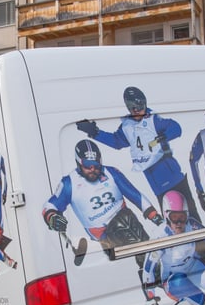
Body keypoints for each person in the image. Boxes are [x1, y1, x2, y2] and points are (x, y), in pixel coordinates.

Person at [75, 86, 198, 217]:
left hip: (172, 176)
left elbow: (176, 128)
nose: (135, 110)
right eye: (130, 107)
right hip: (156, 184)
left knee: (189, 214)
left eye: (138, 106)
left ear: (144, 103)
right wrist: (95, 132)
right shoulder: (127, 127)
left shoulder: (153, 120)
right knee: (171, 218)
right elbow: (117, 141)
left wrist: (164, 136)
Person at [42, 140, 162, 252]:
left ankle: (148, 258)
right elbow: (50, 206)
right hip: (102, 233)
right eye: (88, 165)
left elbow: (133, 194)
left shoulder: (111, 172)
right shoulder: (69, 183)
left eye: (96, 165)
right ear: (78, 163)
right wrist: (52, 217)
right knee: (123, 225)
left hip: (127, 221)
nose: (92, 169)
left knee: (125, 221)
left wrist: (153, 215)